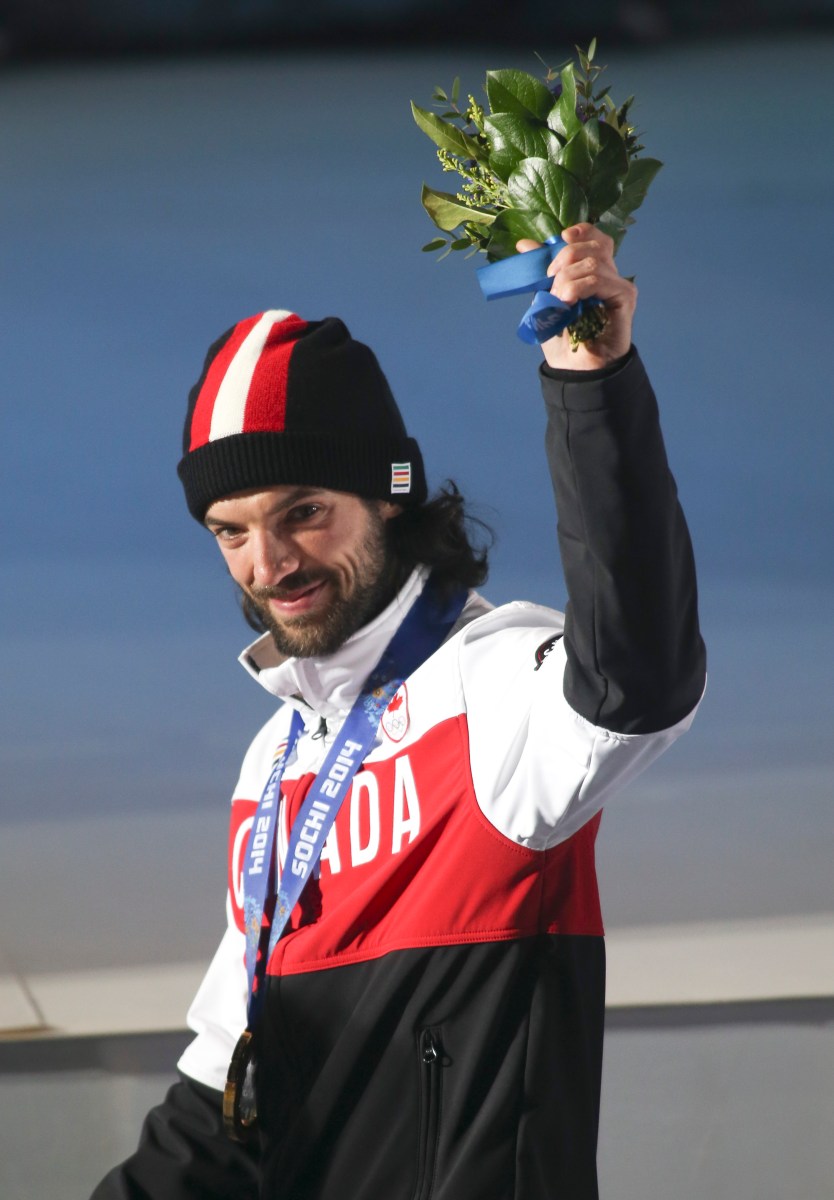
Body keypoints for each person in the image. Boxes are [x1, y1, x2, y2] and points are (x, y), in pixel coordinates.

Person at [91, 226, 706, 1200]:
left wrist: (590, 383)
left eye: (302, 512)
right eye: (231, 532)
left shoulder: (494, 691)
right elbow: (222, 1110)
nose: (269, 565)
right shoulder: (275, 764)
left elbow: (637, 675)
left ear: (390, 494)